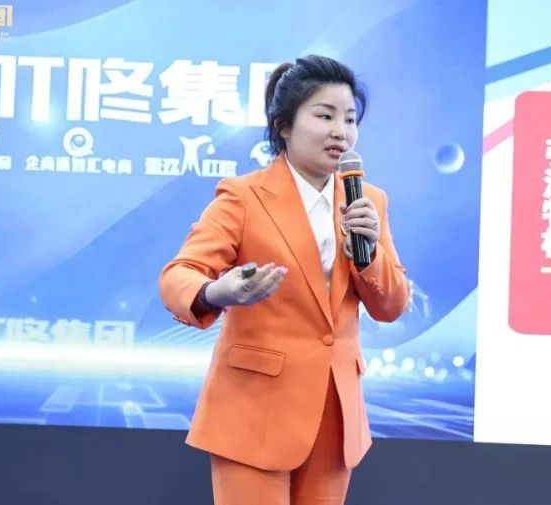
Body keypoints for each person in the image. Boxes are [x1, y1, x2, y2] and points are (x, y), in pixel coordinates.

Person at [159, 54, 410, 505]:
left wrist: (369, 254)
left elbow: (391, 306)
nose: (341, 132)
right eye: (325, 116)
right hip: (254, 409)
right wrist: (217, 292)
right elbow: (179, 275)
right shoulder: (244, 196)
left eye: (349, 119)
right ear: (284, 126)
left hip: (335, 413)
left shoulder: (368, 200)